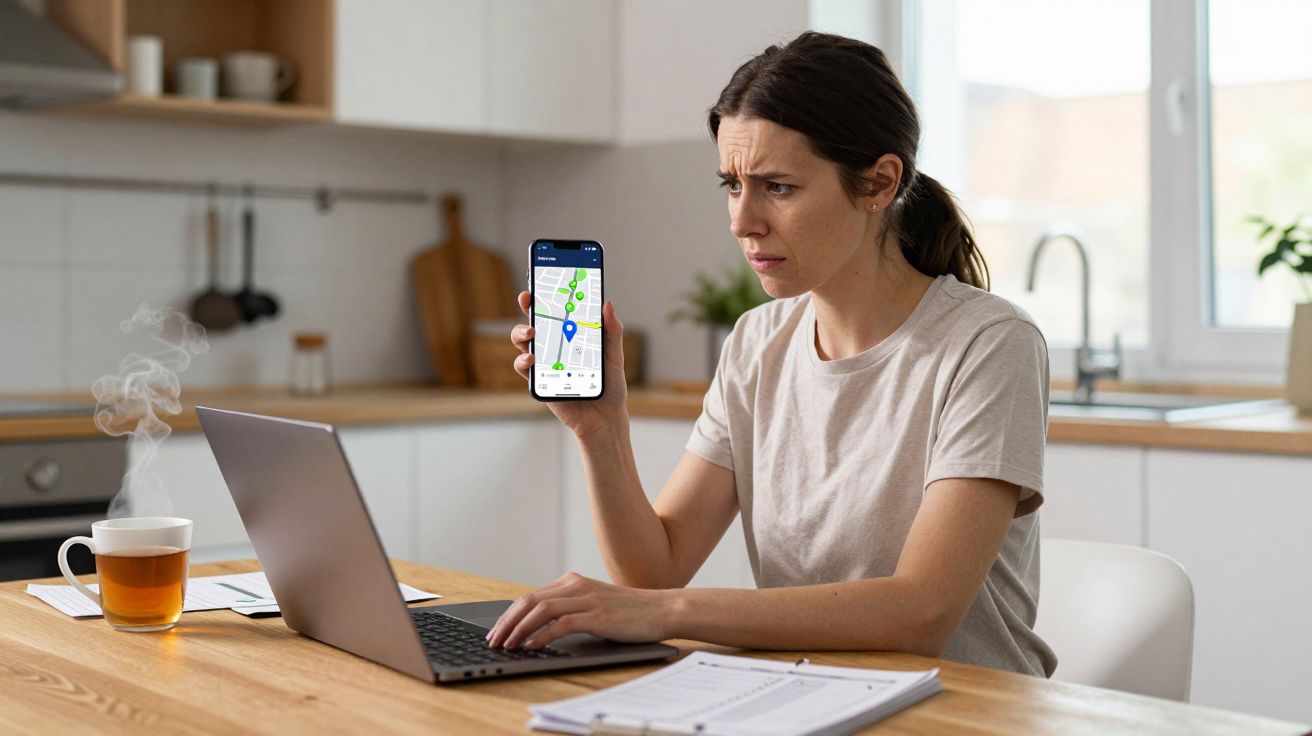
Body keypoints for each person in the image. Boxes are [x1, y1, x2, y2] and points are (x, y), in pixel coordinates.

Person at [490, 31, 1056, 678]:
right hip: (804, 697)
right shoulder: (757, 344)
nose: (742, 220)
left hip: (963, 712)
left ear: (878, 183)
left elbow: (919, 613)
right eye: (731, 185)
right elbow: (655, 570)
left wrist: (671, 613)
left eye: (778, 187)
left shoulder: (988, 344)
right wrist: (600, 429)